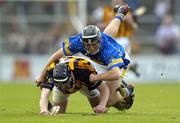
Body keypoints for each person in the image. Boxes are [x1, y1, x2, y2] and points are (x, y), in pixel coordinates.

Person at [36, 4, 134, 110]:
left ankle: (127, 91)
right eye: (88, 44)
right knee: (107, 34)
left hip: (120, 62)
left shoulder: (109, 51)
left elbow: (115, 74)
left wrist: (96, 77)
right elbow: (56, 56)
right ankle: (120, 13)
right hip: (99, 60)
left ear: (99, 40)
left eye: (94, 44)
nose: (91, 47)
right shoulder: (78, 42)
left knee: (109, 101)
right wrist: (42, 75)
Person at [39, 56, 110, 115]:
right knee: (59, 112)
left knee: (100, 111)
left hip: (82, 83)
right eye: (59, 85)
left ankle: (118, 98)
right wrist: (44, 110)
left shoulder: (84, 73)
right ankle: (49, 106)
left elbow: (104, 89)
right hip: (73, 76)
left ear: (71, 76)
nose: (64, 88)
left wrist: (102, 105)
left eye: (65, 83)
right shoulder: (50, 73)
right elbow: (44, 95)